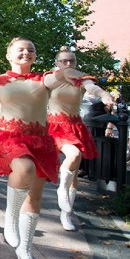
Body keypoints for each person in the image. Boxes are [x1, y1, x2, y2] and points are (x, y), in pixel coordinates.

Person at [0, 37, 63, 259]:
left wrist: (68, 70)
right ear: (9, 55)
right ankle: (10, 220)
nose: (26, 53)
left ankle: (26, 249)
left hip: (40, 140)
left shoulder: (43, 79)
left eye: (31, 50)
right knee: (24, 169)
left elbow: (59, 77)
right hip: (7, 136)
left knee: (34, 197)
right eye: (20, 49)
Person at [48, 47, 114, 231]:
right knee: (73, 155)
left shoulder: (82, 80)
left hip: (75, 126)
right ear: (57, 63)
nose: (68, 64)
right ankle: (58, 189)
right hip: (53, 126)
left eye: (72, 61)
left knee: (75, 171)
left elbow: (93, 87)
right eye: (64, 61)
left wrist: (104, 95)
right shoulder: (51, 78)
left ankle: (66, 213)